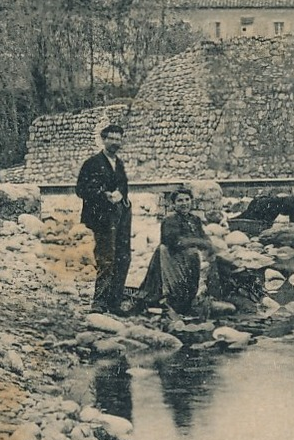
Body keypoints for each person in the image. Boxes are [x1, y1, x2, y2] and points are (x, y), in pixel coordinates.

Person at [76, 123, 132, 314]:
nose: (115, 142)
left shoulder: (120, 163)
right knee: (106, 258)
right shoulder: (92, 163)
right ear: (104, 139)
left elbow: (124, 186)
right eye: (112, 138)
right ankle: (99, 303)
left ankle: (114, 302)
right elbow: (81, 190)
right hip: (102, 217)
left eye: (119, 138)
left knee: (123, 257)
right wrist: (104, 195)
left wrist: (120, 194)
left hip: (122, 216)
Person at [138, 187, 214, 316]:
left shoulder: (195, 220)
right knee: (175, 290)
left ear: (191, 201)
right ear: (173, 204)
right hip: (171, 258)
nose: (184, 203)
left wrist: (208, 244)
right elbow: (173, 242)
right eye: (179, 200)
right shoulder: (169, 220)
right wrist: (198, 242)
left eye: (187, 199)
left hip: (190, 258)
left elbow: (203, 237)